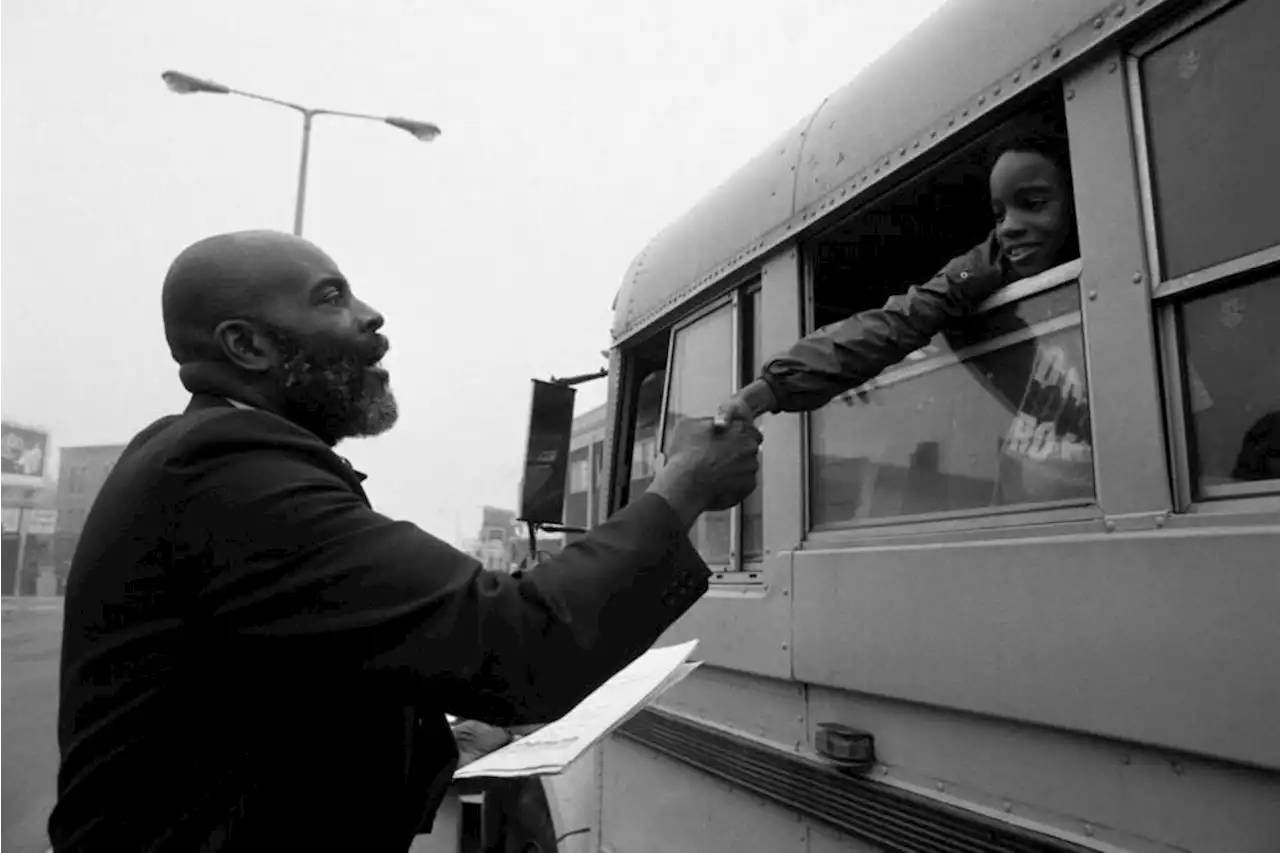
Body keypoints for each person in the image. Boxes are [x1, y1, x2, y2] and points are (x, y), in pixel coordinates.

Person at [49, 230, 761, 853]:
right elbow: (517, 641)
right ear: (247, 344)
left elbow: (308, 680)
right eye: (330, 298)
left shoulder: (210, 460)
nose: (371, 315)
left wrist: (442, 732)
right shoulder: (228, 473)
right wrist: (684, 488)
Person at [718, 109, 1091, 503]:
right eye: (999, 214)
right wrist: (768, 390)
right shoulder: (986, 266)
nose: (1009, 227)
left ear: (1077, 195)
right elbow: (900, 320)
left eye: (1033, 203)